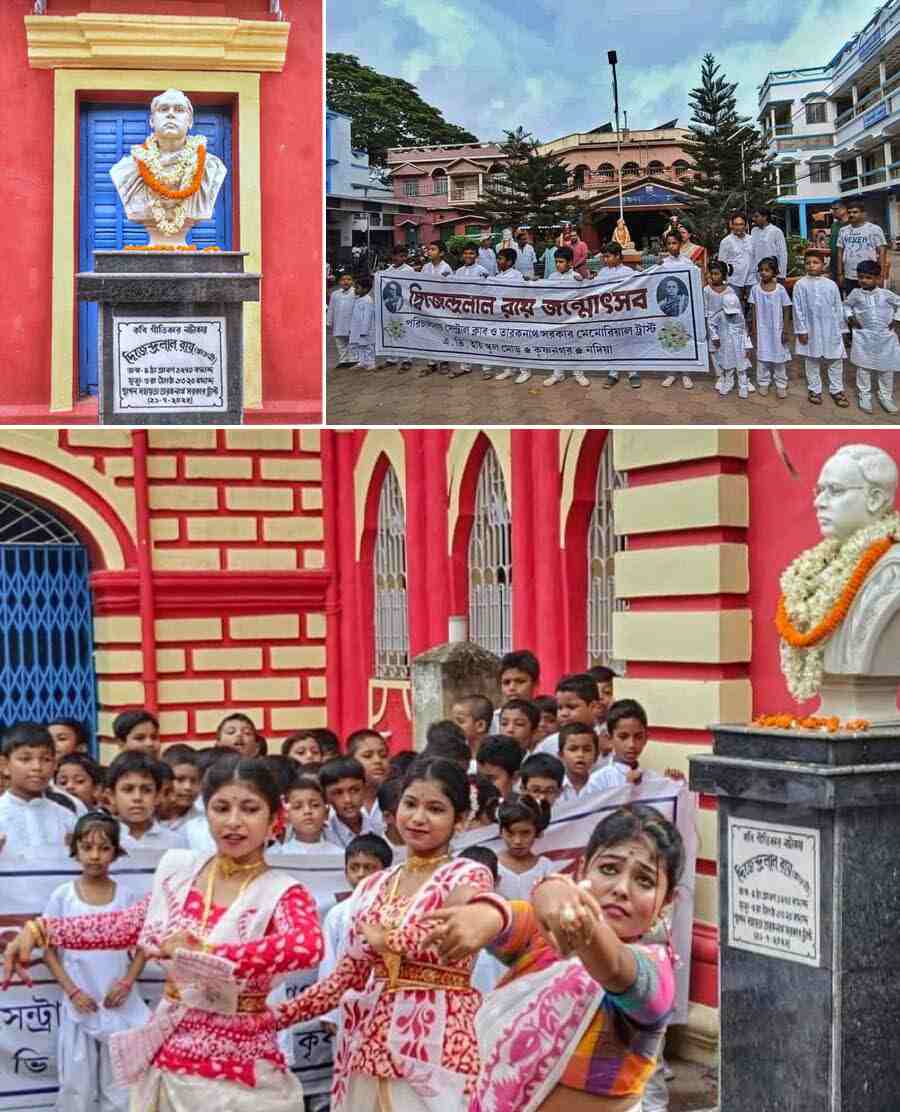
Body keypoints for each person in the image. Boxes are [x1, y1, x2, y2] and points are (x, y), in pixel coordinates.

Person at [5, 757, 325, 1110]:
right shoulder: (181, 872)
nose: (233, 822)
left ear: (274, 821)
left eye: (249, 809)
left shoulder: (282, 891)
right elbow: (126, 925)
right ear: (207, 817)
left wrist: (202, 952)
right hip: (169, 1053)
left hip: (241, 1070)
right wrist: (41, 929)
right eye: (221, 808)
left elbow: (306, 946)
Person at [424, 804, 684, 1112]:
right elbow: (505, 916)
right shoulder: (544, 937)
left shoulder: (653, 975)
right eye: (609, 869)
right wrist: (484, 911)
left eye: (644, 881)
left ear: (667, 902)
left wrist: (554, 888)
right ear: (582, 869)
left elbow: (612, 966)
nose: (620, 889)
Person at [273, 757, 499, 1110]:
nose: (419, 817)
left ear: (460, 820)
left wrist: (385, 940)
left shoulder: (468, 875)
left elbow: (443, 930)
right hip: (372, 1038)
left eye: (435, 808)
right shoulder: (375, 885)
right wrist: (275, 1016)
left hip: (438, 1040)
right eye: (410, 804)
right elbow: (345, 977)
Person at [42, 812, 150, 1112]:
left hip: (119, 1002)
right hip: (80, 1004)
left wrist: (128, 982)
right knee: (76, 1084)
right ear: (75, 848)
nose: (95, 856)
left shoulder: (126, 898)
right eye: (87, 847)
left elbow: (143, 947)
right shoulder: (63, 897)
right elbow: (48, 950)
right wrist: (72, 992)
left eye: (104, 848)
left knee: (120, 1087)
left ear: (115, 852)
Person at [317, 833, 394, 1039]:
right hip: (347, 1004)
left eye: (369, 867)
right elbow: (329, 962)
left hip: (389, 1003)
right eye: (354, 867)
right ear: (346, 871)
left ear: (386, 872)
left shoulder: (395, 911)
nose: (360, 874)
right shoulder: (337, 914)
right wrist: (329, 1012)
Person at [0, 722, 76, 854]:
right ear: (4, 765)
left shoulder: (65, 817)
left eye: (46, 759)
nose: (37, 767)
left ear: (55, 765)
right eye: (25, 759)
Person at [792, 249, 850, 407]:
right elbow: (797, 309)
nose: (811, 266)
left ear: (823, 265)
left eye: (815, 262)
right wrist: (801, 330)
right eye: (808, 263)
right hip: (811, 328)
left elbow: (838, 307)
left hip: (831, 328)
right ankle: (814, 389)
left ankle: (837, 390)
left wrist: (841, 329)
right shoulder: (800, 284)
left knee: (835, 358)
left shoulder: (831, 285)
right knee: (812, 359)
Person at [845, 258, 900, 414]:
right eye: (861, 277)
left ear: (877, 278)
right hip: (865, 336)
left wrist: (896, 320)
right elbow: (846, 305)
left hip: (885, 337)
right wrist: (850, 318)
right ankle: (864, 395)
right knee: (864, 367)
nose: (864, 280)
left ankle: (885, 396)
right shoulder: (856, 294)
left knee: (886, 368)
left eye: (868, 277)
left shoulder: (886, 294)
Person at [106, 751, 185, 852]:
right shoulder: (101, 840)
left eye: (146, 790)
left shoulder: (176, 843)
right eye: (128, 789)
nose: (137, 797)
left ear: (158, 796)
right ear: (111, 796)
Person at [542, 246, 590, 388]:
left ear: (570, 263)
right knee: (557, 346)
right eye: (556, 261)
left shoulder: (576, 277)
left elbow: (586, 295)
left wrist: (583, 282)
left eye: (561, 262)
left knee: (575, 345)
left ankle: (579, 374)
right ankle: (558, 374)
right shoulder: (552, 277)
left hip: (573, 319)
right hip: (557, 317)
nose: (558, 265)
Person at [495, 794, 554, 901]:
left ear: (537, 832)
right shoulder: (491, 865)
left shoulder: (545, 868)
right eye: (510, 833)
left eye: (525, 833)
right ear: (500, 832)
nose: (517, 841)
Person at [748, 256, 792, 399]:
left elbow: (786, 309)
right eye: (761, 270)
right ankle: (763, 382)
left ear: (774, 272)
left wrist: (785, 329)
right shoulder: (755, 289)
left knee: (779, 359)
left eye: (767, 270)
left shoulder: (780, 289)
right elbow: (753, 310)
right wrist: (754, 328)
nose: (763, 273)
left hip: (777, 329)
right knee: (763, 357)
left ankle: (781, 384)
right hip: (762, 330)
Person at [599, 242, 641, 390]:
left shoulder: (628, 272)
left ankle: (633, 372)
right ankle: (613, 373)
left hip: (625, 314)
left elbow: (643, 281)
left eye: (608, 256)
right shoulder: (602, 273)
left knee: (629, 343)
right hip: (609, 315)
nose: (605, 260)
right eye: (604, 257)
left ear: (618, 256)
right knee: (612, 343)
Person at [492, 247, 535, 384]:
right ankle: (509, 368)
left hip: (515, 314)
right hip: (502, 315)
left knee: (518, 343)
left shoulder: (516, 275)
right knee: (505, 342)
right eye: (497, 258)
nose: (497, 261)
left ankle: (525, 370)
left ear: (509, 262)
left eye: (500, 259)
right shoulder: (498, 277)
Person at [269, 774, 341, 855]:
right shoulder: (275, 855)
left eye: (315, 805)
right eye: (298, 807)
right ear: (287, 815)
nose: (307, 811)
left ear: (326, 813)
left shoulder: (341, 855)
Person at [658, 231, 694, 389]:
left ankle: (686, 373)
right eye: (669, 244)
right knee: (669, 338)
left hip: (684, 310)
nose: (672, 246)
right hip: (667, 312)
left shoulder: (688, 263)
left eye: (675, 243)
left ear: (680, 244)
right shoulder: (663, 264)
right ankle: (671, 372)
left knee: (684, 337)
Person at [588, 700, 652, 791]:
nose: (631, 744)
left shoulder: (652, 779)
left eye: (638, 737)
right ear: (610, 738)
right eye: (623, 737)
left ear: (646, 739)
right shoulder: (597, 782)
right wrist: (627, 788)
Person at [448, 243, 489, 380]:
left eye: (471, 253)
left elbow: (487, 290)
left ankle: (487, 368)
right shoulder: (458, 271)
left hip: (478, 311)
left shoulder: (482, 270)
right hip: (463, 311)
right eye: (465, 253)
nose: (468, 256)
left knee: (480, 339)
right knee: (464, 338)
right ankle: (465, 366)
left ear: (476, 256)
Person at [534, 673, 601, 757]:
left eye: (571, 707)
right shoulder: (548, 746)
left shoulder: (607, 743)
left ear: (593, 707)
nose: (563, 714)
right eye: (560, 708)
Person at [836, 199, 888, 296]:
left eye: (855, 212)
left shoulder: (874, 229)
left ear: (863, 213)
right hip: (849, 276)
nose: (851, 215)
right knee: (852, 303)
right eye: (849, 212)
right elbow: (840, 252)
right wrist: (840, 274)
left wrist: (881, 276)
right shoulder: (843, 230)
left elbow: (882, 252)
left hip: (869, 276)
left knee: (870, 304)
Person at [321, 756, 373, 848]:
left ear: (365, 789)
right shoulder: (323, 835)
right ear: (326, 796)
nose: (348, 799)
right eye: (338, 793)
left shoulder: (378, 828)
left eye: (355, 790)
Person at [346, 728, 390, 835]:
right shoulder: (339, 803)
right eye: (368, 756)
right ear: (351, 761)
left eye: (383, 755)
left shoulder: (397, 801)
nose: (378, 761)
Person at [419, 242, 454, 376]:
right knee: (429, 333)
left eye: (433, 249)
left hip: (442, 305)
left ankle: (445, 361)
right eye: (428, 249)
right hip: (428, 305)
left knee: (442, 333)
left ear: (441, 253)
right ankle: (431, 363)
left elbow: (448, 287)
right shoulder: (426, 267)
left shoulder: (446, 268)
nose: (429, 251)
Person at [380, 246, 416, 371]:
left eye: (401, 256)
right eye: (395, 255)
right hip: (391, 306)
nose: (397, 258)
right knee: (392, 330)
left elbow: (410, 288)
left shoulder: (409, 270)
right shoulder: (388, 269)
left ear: (405, 257)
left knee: (406, 332)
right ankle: (392, 358)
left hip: (405, 305)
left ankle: (408, 359)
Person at [159, 744, 202, 834]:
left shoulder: (204, 824)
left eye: (194, 781)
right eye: (180, 779)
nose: (188, 787)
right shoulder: (146, 818)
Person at [717, 212, 754, 310]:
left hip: (751, 279)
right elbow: (721, 263)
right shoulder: (726, 242)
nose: (738, 227)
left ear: (746, 225)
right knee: (735, 308)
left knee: (753, 309)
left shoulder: (752, 239)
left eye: (741, 224)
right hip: (733, 281)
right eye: (736, 224)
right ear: (731, 225)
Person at [558, 721, 601, 801]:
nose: (580, 754)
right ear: (561, 755)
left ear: (596, 755)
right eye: (573, 749)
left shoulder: (603, 786)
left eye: (587, 750)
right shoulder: (554, 788)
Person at [476, 734, 523, 799]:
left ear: (515, 777)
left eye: (491, 778)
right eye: (480, 778)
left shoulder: (524, 807)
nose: (483, 785)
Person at [451, 694, 493, 766]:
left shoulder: (494, 757)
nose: (453, 726)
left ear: (480, 726)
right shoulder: (454, 755)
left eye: (460, 721)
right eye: (453, 721)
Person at [327, 271, 357, 369]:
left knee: (352, 341)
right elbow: (331, 308)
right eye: (343, 280)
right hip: (338, 322)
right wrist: (329, 321)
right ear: (339, 282)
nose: (346, 282)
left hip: (352, 321)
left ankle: (353, 359)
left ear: (352, 281)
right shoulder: (335, 294)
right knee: (340, 341)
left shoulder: (356, 293)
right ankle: (343, 360)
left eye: (348, 279)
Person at [347, 274, 376, 372]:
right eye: (355, 287)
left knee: (367, 346)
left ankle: (371, 363)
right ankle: (362, 362)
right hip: (356, 328)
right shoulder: (358, 299)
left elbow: (367, 317)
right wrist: (352, 328)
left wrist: (364, 330)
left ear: (366, 289)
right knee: (358, 345)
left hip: (365, 329)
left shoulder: (368, 301)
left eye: (357, 288)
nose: (355, 289)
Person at [750, 207, 787, 281]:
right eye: (753, 217)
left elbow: (782, 253)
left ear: (765, 217)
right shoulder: (754, 231)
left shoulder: (776, 231)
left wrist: (781, 274)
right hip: (757, 273)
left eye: (757, 216)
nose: (754, 219)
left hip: (773, 273)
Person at [828, 200, 849, 283]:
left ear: (844, 209)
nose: (833, 212)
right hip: (833, 265)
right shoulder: (834, 225)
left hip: (846, 266)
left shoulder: (851, 225)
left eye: (835, 209)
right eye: (832, 209)